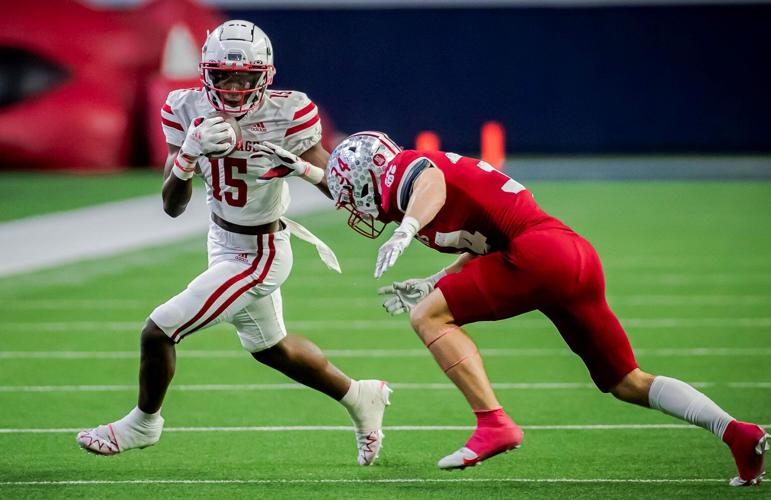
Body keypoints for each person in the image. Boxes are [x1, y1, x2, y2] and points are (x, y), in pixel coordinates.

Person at [314, 130, 766, 485]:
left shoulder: (406, 171)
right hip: (569, 253)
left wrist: (406, 228)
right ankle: (736, 433)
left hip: (539, 254)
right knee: (626, 382)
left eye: (351, 193)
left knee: (427, 317)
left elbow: (427, 178)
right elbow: (487, 243)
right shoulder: (409, 180)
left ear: (367, 177)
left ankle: (493, 423)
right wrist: (433, 280)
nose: (354, 207)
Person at [76, 21, 391, 466]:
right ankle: (361, 396)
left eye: (246, 76)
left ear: (266, 74)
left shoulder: (290, 113)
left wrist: (302, 169)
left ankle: (143, 424)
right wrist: (187, 157)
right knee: (271, 348)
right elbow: (171, 205)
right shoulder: (184, 108)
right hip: (220, 239)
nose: (237, 86)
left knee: (158, 330)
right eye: (225, 75)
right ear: (207, 74)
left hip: (260, 254)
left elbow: (337, 187)